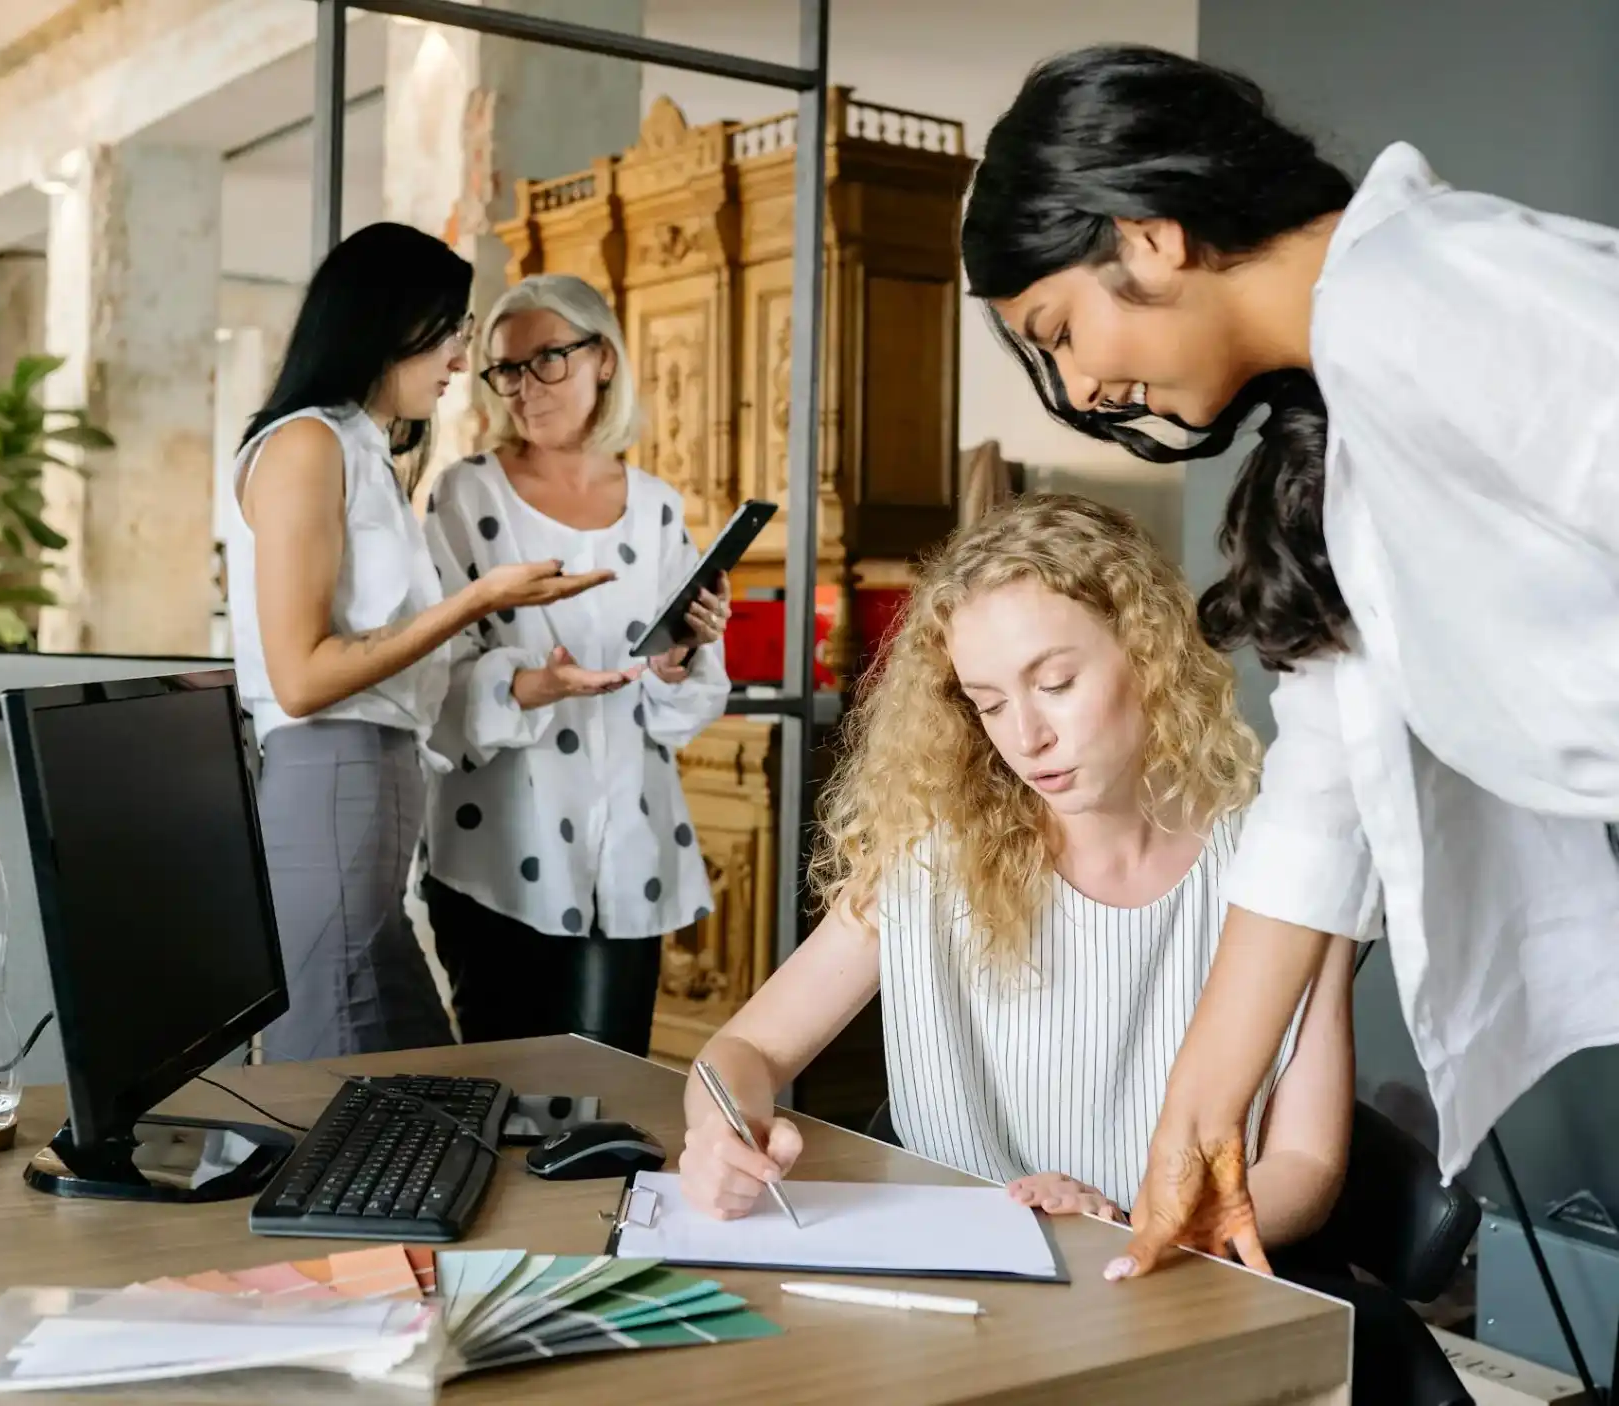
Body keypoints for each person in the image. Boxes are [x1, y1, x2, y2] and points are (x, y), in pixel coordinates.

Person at [959, 44, 1619, 1281]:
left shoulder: (1433, 290)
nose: (1086, 382)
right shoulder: (1344, 404)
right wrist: (1195, 1128)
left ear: (1146, 236)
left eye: (1059, 329)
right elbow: (1318, 802)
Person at [677, 496, 1464, 1406]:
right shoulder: (929, 858)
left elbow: (1306, 1171)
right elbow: (745, 1052)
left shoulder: (1282, 868)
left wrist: (1133, 1226)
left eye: (1055, 684)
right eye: (989, 704)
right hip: (957, 1318)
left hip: (1167, 1305)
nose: (1027, 738)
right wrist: (720, 1130)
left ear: (1147, 653)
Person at [229, 224, 613, 1062]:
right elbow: (301, 677)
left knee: (411, 1077)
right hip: (331, 777)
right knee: (340, 1085)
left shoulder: (362, 452)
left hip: (372, 788)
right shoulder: (306, 444)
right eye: (447, 331)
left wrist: (517, 674)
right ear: (382, 322)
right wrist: (480, 597)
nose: (458, 356)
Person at [418, 274, 733, 1058]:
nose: (525, 387)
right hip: (497, 852)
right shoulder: (465, 496)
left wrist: (680, 659)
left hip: (629, 850)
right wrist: (536, 686)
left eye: (547, 360)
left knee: (608, 1106)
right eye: (507, 369)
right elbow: (434, 681)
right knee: (504, 1102)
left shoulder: (658, 506)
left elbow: (681, 704)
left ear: (603, 359)